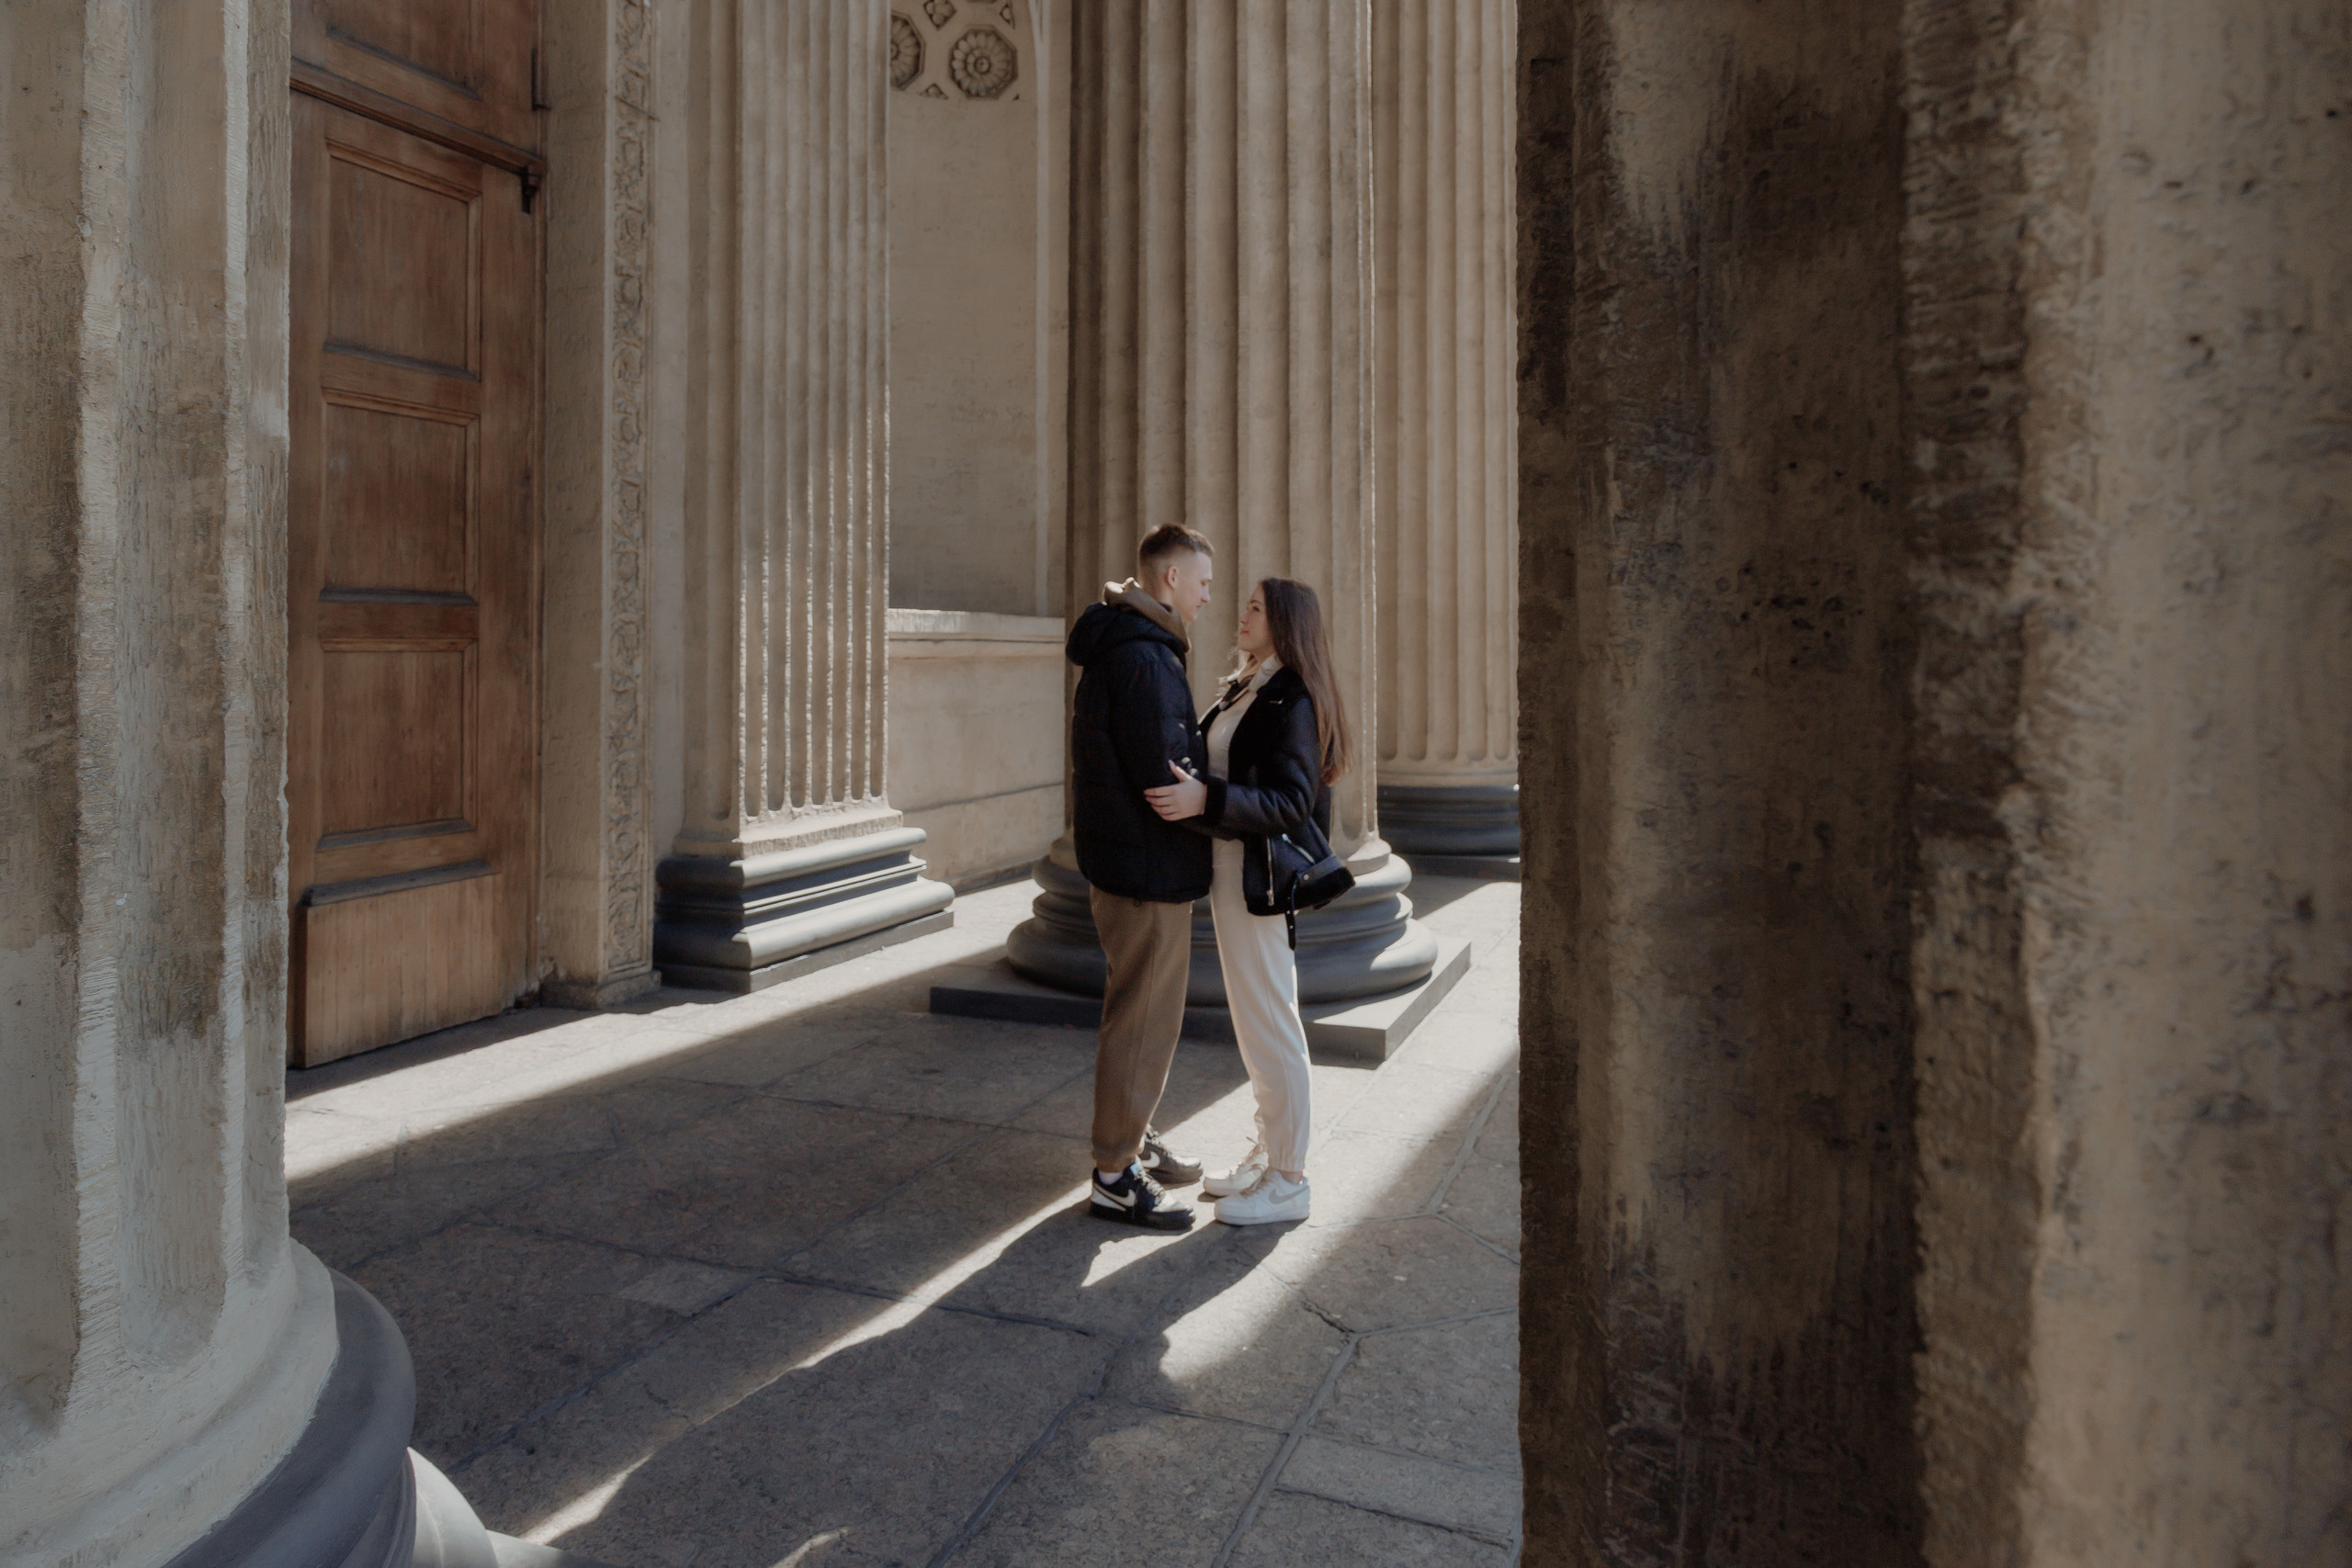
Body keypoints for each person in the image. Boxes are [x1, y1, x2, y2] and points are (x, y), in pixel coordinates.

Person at [1144, 577, 1351, 1225]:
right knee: (1255, 1021)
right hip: (1232, 869)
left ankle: (1291, 1178)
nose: (1243, 613)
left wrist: (1207, 799)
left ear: (1285, 621)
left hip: (1259, 876)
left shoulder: (1291, 693)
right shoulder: (1251, 682)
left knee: (1273, 1021)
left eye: (1257, 608)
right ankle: (1270, 1152)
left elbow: (1293, 803)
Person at [1065, 525, 1219, 1230]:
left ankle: (1131, 1133)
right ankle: (1115, 1175)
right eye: (1203, 583)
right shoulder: (1149, 659)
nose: (1208, 597)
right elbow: (1169, 777)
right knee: (1144, 1019)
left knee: (1133, 1009)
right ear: (1169, 580)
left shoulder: (1122, 646)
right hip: (1147, 870)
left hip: (1124, 861)